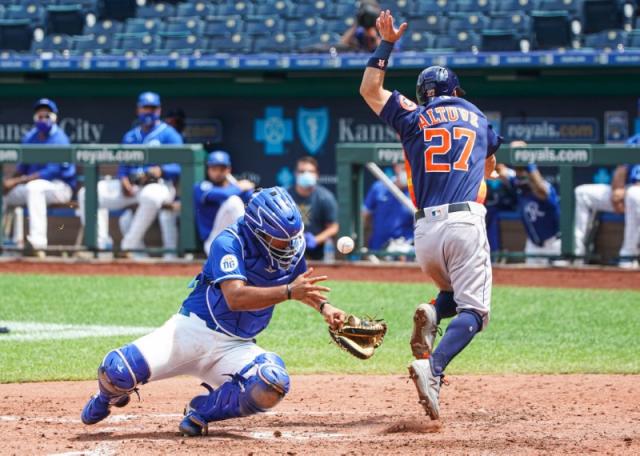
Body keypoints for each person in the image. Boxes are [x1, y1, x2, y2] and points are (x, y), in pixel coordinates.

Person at [80, 187, 347, 436]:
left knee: (272, 383)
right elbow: (235, 297)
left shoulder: (291, 247)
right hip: (191, 332)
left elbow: (302, 286)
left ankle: (202, 411)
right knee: (116, 370)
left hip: (236, 346)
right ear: (258, 232)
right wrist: (288, 292)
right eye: (280, 240)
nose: (288, 246)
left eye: (291, 238)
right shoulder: (229, 242)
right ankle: (106, 398)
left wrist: (326, 308)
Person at [359, 10, 502, 420]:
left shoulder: (414, 114)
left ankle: (435, 311)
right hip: (465, 220)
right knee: (475, 312)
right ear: (456, 89)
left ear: (425, 96)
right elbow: (487, 171)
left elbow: (370, 89)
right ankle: (433, 369)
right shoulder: (476, 115)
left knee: (454, 295)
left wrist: (386, 44)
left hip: (425, 232)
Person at [77, 92, 183, 257]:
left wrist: (162, 170)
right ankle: (102, 246)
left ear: (159, 110)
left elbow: (180, 166)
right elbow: (123, 166)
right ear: (138, 110)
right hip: (132, 186)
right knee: (87, 193)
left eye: (152, 108)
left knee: (151, 196)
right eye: (145, 108)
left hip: (159, 185)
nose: (148, 112)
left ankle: (127, 247)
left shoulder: (170, 134)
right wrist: (123, 179)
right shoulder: (131, 136)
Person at [2, 98, 75, 255]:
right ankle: (7, 242)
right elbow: (22, 167)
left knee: (34, 188)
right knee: (5, 195)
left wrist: (17, 181)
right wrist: (9, 182)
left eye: (46, 116)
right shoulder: (31, 137)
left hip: (60, 187)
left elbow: (50, 173)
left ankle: (37, 245)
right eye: (39, 116)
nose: (42, 119)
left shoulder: (60, 139)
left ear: (54, 117)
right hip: (32, 186)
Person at [574, 156, 640, 268]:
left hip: (633, 192)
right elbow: (622, 169)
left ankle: (628, 257)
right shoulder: (636, 139)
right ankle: (576, 253)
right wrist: (617, 190)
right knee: (582, 193)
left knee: (633, 194)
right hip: (626, 190)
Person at [496, 162, 561, 265]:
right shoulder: (518, 182)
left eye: (523, 169)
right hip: (533, 244)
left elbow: (540, 189)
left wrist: (528, 162)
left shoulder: (545, 187)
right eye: (518, 170)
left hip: (554, 244)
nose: (520, 173)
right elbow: (501, 170)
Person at [194, 150, 255, 255]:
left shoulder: (234, 187)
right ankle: (250, 244)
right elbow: (223, 195)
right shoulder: (201, 186)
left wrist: (248, 190)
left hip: (235, 240)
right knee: (233, 201)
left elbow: (252, 198)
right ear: (208, 169)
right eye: (214, 169)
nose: (217, 173)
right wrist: (240, 186)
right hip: (214, 241)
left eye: (221, 169)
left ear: (228, 169)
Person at [290, 156, 339, 260]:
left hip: (316, 255)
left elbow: (333, 227)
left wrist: (315, 240)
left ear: (317, 175)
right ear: (295, 174)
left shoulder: (325, 197)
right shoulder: (285, 196)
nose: (306, 174)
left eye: (310, 171)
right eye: (302, 171)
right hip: (288, 253)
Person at [362, 162, 414, 253]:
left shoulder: (417, 190)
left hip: (406, 249)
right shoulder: (378, 187)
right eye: (403, 168)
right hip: (378, 248)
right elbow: (365, 217)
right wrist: (364, 244)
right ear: (395, 167)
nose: (405, 171)